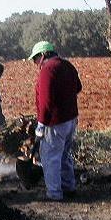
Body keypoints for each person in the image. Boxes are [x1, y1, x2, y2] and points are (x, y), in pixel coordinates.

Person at [29, 41, 82, 201]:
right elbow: (78, 87)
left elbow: (45, 101)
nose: (35, 64)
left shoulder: (48, 69)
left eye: (35, 60)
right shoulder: (67, 65)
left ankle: (54, 194)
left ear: (43, 55)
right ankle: (69, 187)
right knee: (65, 155)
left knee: (50, 157)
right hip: (71, 119)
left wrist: (41, 125)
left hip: (55, 122)